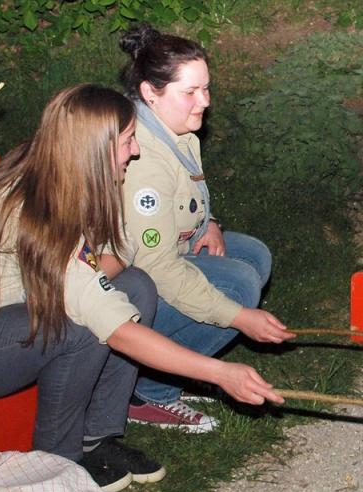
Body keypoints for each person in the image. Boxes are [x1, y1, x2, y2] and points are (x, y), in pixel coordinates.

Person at [0, 84, 284, 492]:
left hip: (28, 309)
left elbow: (116, 253)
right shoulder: (39, 209)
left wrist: (91, 278)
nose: (135, 150)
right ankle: (58, 463)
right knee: (80, 327)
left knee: (135, 286)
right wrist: (221, 374)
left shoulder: (73, 170)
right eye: (128, 140)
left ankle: (99, 440)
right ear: (94, 147)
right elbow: (117, 331)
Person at [118, 24, 294, 432]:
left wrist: (207, 224)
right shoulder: (142, 157)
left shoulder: (174, 128)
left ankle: (173, 368)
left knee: (253, 255)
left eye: (207, 89)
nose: (205, 102)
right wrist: (238, 316)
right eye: (191, 92)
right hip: (131, 284)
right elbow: (156, 268)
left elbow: (188, 192)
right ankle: (146, 390)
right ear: (150, 92)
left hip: (165, 255)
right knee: (239, 287)